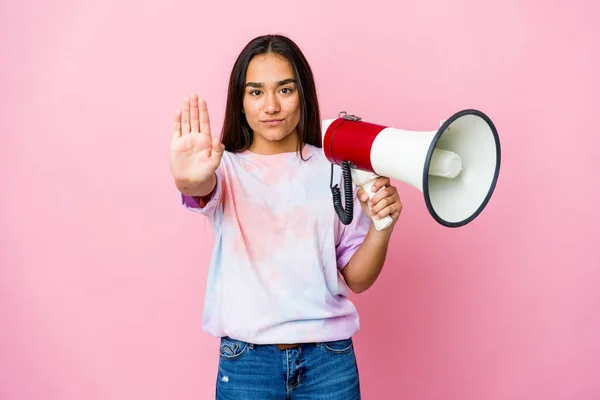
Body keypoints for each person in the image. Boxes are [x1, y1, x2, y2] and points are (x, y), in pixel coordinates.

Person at [169, 34, 403, 399]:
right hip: (247, 362)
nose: (271, 106)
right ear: (241, 102)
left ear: (303, 95)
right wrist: (188, 176)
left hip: (329, 360)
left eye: (285, 89)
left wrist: (381, 227)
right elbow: (198, 187)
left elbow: (356, 279)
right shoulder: (224, 168)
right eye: (256, 92)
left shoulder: (336, 166)